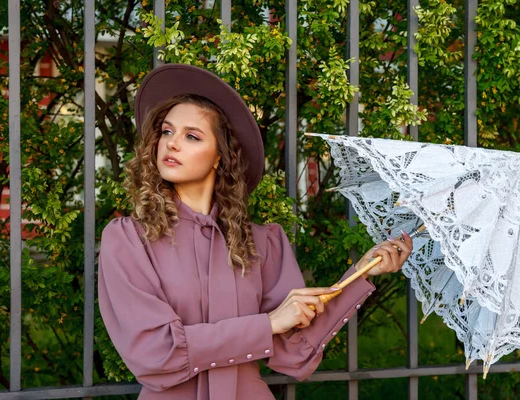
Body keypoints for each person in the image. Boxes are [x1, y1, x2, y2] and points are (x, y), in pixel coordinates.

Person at [97, 64, 413, 400]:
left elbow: (293, 351)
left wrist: (362, 273)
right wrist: (266, 325)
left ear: (220, 156)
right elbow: (154, 353)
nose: (172, 144)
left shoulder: (262, 242)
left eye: (191, 136)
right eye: (166, 131)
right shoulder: (129, 240)